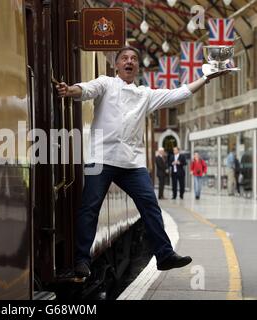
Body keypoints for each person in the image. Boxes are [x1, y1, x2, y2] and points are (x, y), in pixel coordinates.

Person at [56, 46, 229, 278]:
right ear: (116, 65)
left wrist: (206, 79)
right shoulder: (106, 83)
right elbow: (86, 89)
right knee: (90, 208)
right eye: (125, 58)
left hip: (132, 164)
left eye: (134, 59)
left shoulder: (145, 95)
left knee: (150, 205)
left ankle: (165, 255)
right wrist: (71, 90)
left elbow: (179, 93)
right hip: (101, 158)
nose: (130, 61)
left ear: (137, 67)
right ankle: (81, 261)